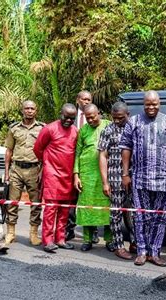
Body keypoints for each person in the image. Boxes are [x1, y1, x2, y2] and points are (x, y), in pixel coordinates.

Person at [119, 90, 166, 267]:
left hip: (164, 180)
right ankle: (141, 252)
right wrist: (125, 174)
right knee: (140, 217)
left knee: (161, 218)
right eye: (148, 104)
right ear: (143, 104)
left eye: (154, 104)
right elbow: (125, 148)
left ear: (159, 103)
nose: (151, 107)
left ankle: (155, 252)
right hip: (140, 179)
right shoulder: (133, 121)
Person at [33, 103, 78, 253]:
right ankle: (47, 240)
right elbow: (38, 148)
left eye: (72, 118)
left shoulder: (75, 131)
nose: (69, 121)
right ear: (61, 114)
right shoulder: (49, 128)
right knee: (51, 209)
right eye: (66, 117)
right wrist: (46, 163)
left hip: (68, 176)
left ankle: (60, 239)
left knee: (65, 210)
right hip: (52, 174)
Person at [4, 100, 45, 246]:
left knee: (36, 203)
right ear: (22, 110)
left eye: (32, 108)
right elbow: (9, 150)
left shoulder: (42, 128)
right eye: (26, 108)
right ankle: (10, 233)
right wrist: (7, 172)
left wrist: (42, 170)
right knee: (12, 202)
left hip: (34, 169)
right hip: (16, 169)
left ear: (36, 110)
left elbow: (46, 151)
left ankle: (33, 234)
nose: (29, 111)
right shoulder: (14, 128)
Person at [98, 101, 135, 260]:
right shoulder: (108, 129)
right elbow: (102, 156)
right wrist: (105, 182)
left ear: (128, 114)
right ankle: (119, 246)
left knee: (136, 213)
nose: (116, 121)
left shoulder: (134, 128)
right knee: (116, 214)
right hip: (115, 177)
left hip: (135, 177)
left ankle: (135, 243)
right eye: (114, 118)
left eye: (120, 118)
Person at [74, 104, 111, 251]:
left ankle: (110, 240)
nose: (90, 120)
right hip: (87, 174)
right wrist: (76, 175)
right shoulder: (83, 130)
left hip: (106, 175)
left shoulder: (109, 126)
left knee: (108, 208)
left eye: (92, 117)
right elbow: (77, 153)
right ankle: (87, 240)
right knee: (87, 208)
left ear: (99, 113)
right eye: (87, 118)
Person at [67, 90, 99, 244]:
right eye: (83, 99)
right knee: (71, 200)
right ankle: (69, 230)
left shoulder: (96, 119)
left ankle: (92, 233)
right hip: (70, 165)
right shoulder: (68, 117)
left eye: (89, 99)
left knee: (90, 201)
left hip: (90, 169)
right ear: (77, 99)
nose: (86, 102)